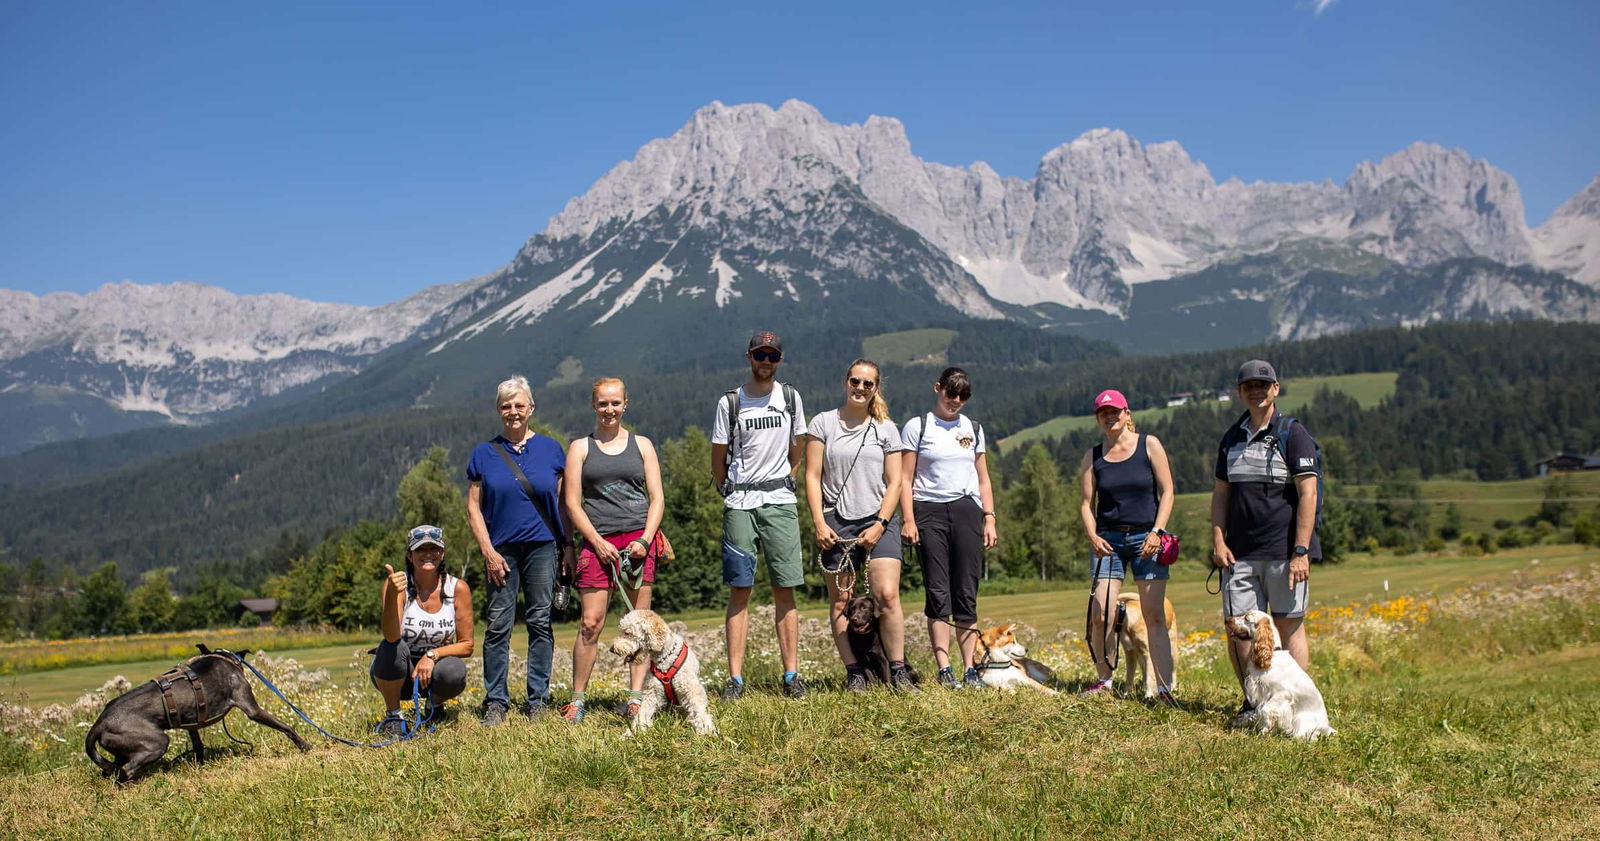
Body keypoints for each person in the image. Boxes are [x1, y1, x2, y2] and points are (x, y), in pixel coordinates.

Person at [1211, 359, 1321, 729]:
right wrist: (1218, 538)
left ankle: (1299, 705)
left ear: (1276, 388)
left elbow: (1308, 493)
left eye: (1263, 385)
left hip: (1284, 552)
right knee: (1240, 631)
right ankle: (1252, 703)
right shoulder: (1231, 437)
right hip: (1238, 555)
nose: (1256, 391)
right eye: (1248, 386)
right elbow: (1222, 494)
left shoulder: (1293, 433)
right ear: (1240, 392)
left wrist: (1301, 551)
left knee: (1288, 627)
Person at [466, 375, 573, 725]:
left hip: (543, 547)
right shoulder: (483, 453)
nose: (513, 411)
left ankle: (537, 699)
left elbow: (564, 504)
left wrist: (568, 546)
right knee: (498, 625)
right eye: (506, 405)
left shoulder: (552, 449)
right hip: (501, 550)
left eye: (519, 404)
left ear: (531, 408)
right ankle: (496, 700)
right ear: (499, 411)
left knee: (539, 621)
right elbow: (473, 508)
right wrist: (487, 551)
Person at [804, 359, 916, 693]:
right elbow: (811, 476)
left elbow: (895, 482)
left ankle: (897, 671)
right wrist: (818, 522)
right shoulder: (823, 423)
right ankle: (855, 672)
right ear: (845, 382)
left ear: (875, 388)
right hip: (835, 523)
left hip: (878, 520)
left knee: (887, 596)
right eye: (855, 381)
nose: (860, 388)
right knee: (841, 601)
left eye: (868, 384)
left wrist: (881, 524)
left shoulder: (886, 428)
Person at [560, 377, 667, 723]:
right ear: (594, 406)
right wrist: (596, 541)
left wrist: (646, 540)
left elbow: (657, 499)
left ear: (625, 404)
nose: (609, 409)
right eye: (603, 403)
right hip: (597, 542)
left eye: (615, 403)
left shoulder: (643, 445)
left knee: (639, 625)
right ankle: (577, 699)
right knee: (590, 623)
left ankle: (636, 698)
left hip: (638, 542)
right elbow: (572, 503)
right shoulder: (580, 448)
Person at [711, 331, 809, 700]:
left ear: (779, 360)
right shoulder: (730, 402)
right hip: (740, 503)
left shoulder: (790, 397)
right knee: (740, 590)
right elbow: (717, 459)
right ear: (748, 356)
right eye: (760, 355)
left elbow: (797, 448)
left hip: (780, 501)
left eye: (773, 356)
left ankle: (791, 675)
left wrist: (789, 478)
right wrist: (731, 487)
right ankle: (735, 680)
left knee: (785, 588)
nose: (766, 362)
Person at [1077, 389, 1178, 707]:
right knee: (1100, 614)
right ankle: (1104, 680)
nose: (1110, 416)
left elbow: (1168, 492)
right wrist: (1092, 535)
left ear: (1127, 412)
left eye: (1115, 411)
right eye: (1103, 412)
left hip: (1147, 541)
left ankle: (1164, 690)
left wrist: (1157, 532)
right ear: (1098, 417)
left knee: (1154, 617)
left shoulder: (1149, 444)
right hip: (1108, 542)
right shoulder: (1093, 456)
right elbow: (1085, 503)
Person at [900, 366, 998, 690]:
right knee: (938, 592)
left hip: (968, 509)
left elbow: (983, 477)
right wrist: (909, 520)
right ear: (937, 388)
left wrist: (990, 517)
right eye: (950, 392)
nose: (955, 400)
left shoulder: (973, 428)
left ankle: (970, 670)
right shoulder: (918, 426)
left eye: (963, 395)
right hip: (929, 511)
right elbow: (905, 478)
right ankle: (945, 670)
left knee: (966, 592)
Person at [372, 525, 474, 737]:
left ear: (442, 553)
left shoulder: (458, 588)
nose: (428, 554)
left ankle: (434, 707)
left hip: (435, 670)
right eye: (420, 550)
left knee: (454, 671)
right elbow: (391, 636)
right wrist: (392, 595)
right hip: (400, 670)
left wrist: (432, 655)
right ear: (409, 555)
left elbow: (467, 645)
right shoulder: (396, 586)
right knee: (391, 646)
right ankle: (394, 716)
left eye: (433, 549)